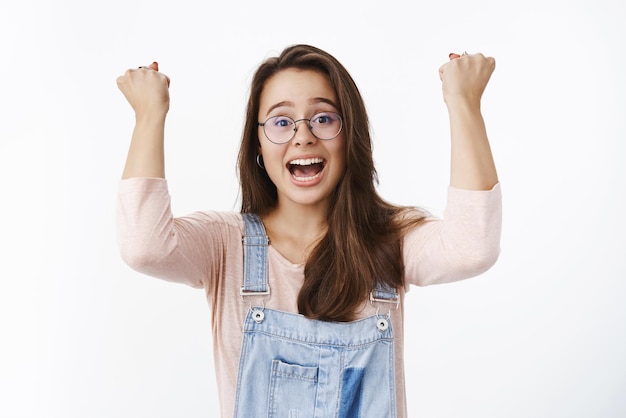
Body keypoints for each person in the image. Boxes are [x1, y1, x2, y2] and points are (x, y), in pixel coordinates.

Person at [116, 44, 501, 418]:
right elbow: (145, 247)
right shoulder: (224, 244)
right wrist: (150, 114)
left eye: (323, 118)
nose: (303, 136)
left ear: (351, 135)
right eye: (281, 122)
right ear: (258, 144)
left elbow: (471, 248)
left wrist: (463, 102)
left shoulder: (390, 240)